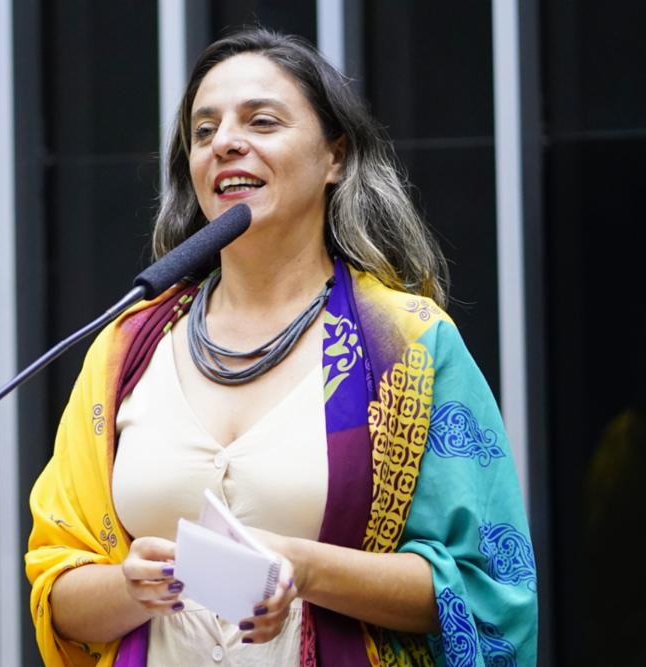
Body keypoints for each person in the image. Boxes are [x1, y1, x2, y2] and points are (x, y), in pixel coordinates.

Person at [26, 27, 537, 667]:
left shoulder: (407, 343)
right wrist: (129, 586)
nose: (227, 143)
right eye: (204, 131)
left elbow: (486, 590)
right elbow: (57, 589)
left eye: (261, 122)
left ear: (336, 158)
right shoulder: (127, 346)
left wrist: (306, 568)